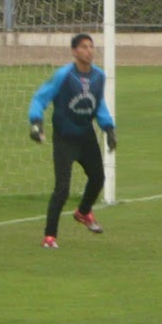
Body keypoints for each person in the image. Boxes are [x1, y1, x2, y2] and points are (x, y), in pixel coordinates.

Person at [28, 33, 117, 249]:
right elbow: (40, 98)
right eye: (84, 47)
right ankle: (50, 236)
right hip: (65, 139)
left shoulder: (99, 76)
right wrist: (36, 122)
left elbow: (98, 105)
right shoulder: (64, 75)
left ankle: (83, 212)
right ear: (74, 51)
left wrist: (108, 129)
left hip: (86, 137)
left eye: (91, 46)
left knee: (98, 178)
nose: (89, 50)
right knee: (62, 189)